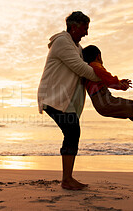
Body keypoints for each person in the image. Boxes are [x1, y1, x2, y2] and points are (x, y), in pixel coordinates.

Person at [37, 11, 101, 190]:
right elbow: (81, 68)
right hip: (53, 98)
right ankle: (66, 180)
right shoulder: (62, 42)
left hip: (65, 100)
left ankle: (67, 178)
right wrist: (106, 79)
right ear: (74, 27)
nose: (86, 33)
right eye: (85, 28)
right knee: (72, 131)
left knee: (72, 132)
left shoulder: (76, 46)